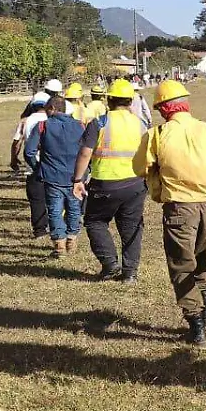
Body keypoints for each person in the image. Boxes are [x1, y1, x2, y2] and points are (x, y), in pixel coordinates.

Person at [133, 80, 206, 346]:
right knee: (200, 257)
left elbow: (139, 168)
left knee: (181, 265)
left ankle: (196, 323)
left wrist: (157, 178)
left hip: (180, 208)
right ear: (186, 105)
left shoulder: (156, 135)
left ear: (162, 109)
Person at [72, 79, 149, 282]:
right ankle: (130, 272)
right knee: (132, 227)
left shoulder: (100, 123)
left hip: (105, 183)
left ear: (109, 100)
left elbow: (85, 153)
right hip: (135, 183)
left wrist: (77, 179)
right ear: (131, 101)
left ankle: (110, 264)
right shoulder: (141, 124)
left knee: (95, 222)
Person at [25, 97, 85, 258]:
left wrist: (38, 168)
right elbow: (87, 151)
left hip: (52, 176)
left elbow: (29, 152)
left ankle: (59, 244)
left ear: (52, 108)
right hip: (75, 176)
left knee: (55, 210)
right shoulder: (80, 125)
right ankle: (72, 239)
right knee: (74, 209)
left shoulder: (43, 126)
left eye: (47, 110)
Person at [14, 92, 51, 236]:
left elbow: (17, 142)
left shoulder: (25, 121)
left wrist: (13, 159)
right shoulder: (52, 119)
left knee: (36, 200)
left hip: (33, 167)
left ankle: (40, 230)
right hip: (51, 165)